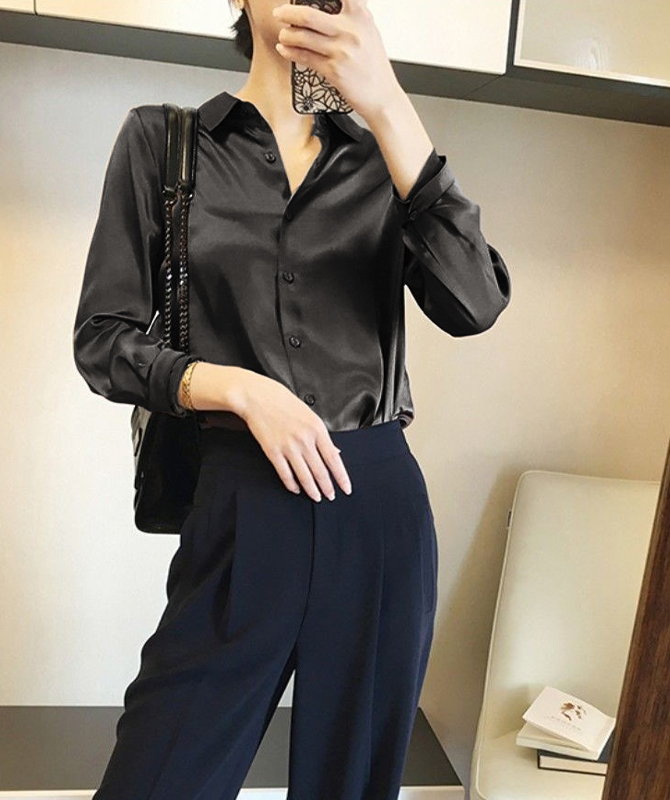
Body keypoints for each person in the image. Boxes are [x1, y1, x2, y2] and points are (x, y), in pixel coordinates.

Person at [72, 0, 511, 797]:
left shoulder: (387, 162)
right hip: (239, 501)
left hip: (375, 506)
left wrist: (388, 104)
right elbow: (102, 339)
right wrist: (239, 389)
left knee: (352, 784)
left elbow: (474, 303)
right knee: (157, 777)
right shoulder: (164, 143)